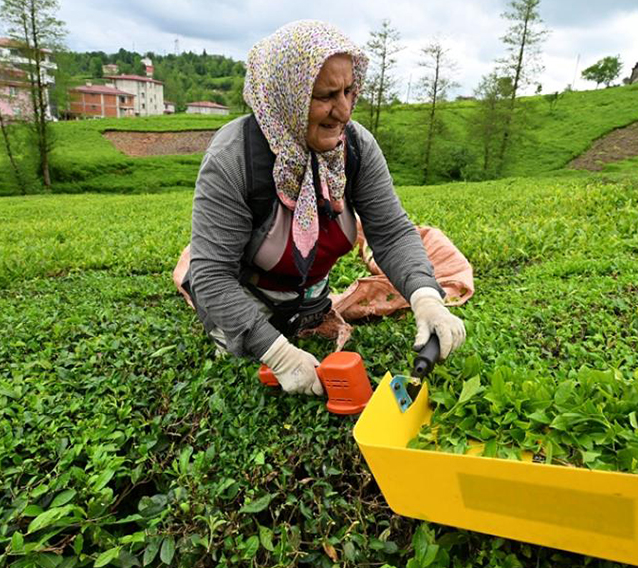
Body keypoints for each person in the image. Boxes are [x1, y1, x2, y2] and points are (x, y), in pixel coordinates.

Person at [182, 20, 465, 396]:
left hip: (311, 300)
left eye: (349, 90)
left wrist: (426, 299)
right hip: (249, 302)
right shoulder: (233, 159)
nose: (344, 110)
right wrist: (279, 355)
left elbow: (391, 231)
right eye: (326, 96)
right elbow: (212, 275)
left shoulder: (355, 147)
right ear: (288, 94)